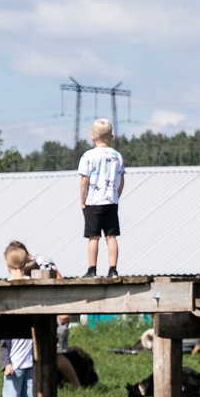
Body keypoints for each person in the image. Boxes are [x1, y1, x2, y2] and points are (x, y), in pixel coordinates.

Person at [77, 119, 127, 278]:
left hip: (94, 201)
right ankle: (113, 269)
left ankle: (92, 269)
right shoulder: (116, 155)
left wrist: (82, 199)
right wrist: (116, 195)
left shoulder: (88, 156)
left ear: (92, 137)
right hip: (111, 201)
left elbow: (84, 180)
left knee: (93, 237)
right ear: (111, 137)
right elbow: (121, 180)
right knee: (111, 236)